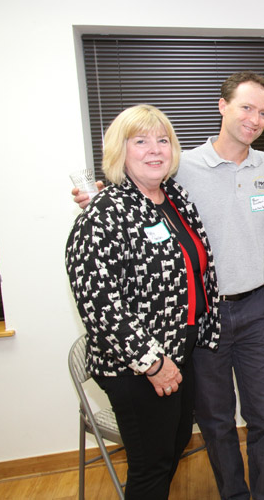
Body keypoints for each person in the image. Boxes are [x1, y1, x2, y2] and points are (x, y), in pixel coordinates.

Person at [74, 72, 264, 500]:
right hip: (202, 317)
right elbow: (132, 199)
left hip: (256, 309)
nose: (254, 119)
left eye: (263, 112)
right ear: (222, 106)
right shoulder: (179, 167)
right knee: (215, 420)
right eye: (246, 107)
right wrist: (101, 196)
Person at [65, 105, 220, 500]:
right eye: (141, 141)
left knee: (172, 448)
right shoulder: (103, 215)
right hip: (137, 367)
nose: (155, 149)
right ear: (120, 152)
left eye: (162, 140)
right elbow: (101, 307)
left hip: (180, 351)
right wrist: (152, 363)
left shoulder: (174, 198)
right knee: (151, 468)